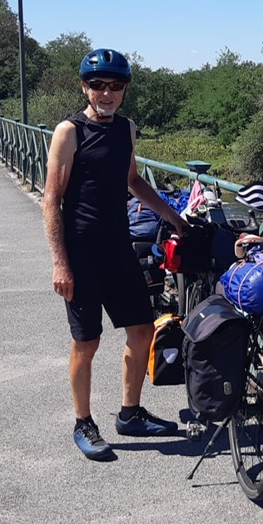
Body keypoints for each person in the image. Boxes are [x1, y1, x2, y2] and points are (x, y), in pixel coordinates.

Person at [43, 48, 190, 461]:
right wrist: (60, 261)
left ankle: (130, 413)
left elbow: (132, 181)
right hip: (81, 254)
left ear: (124, 90)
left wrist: (171, 215)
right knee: (86, 342)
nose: (106, 93)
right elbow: (51, 200)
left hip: (119, 248)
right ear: (85, 88)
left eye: (115, 86)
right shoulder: (68, 132)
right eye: (98, 85)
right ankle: (83, 422)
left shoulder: (126, 129)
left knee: (142, 330)